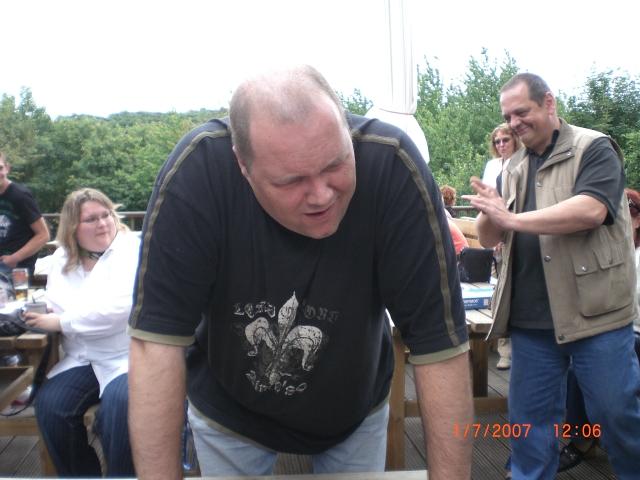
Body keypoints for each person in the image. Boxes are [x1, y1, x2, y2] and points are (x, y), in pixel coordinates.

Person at [128, 65, 473, 480]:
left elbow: (440, 344)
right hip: (229, 407)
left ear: (347, 130)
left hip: (355, 405)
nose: (321, 195)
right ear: (242, 165)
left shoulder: (391, 165)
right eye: (291, 181)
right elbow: (156, 342)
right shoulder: (199, 173)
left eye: (335, 164)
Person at [465, 72, 640, 479]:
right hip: (531, 321)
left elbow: (591, 210)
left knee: (617, 418)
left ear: (548, 102)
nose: (513, 123)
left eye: (521, 112)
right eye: (507, 117)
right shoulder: (512, 166)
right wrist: (490, 212)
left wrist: (512, 218)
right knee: (528, 428)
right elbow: (490, 236)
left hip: (595, 315)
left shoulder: (594, 148)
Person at [25, 188, 140, 477]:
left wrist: (63, 322)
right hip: (83, 358)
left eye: (106, 215)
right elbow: (57, 301)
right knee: (51, 406)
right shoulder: (62, 258)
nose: (103, 224)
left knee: (120, 406)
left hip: (126, 357)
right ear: (73, 227)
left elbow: (121, 310)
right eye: (91, 219)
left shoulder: (131, 251)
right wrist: (74, 316)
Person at [557, 187, 640, 472]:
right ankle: (583, 437)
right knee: (572, 367)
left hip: (632, 330)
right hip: (606, 327)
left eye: (627, 214)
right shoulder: (607, 251)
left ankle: (591, 441)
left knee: (595, 368)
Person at [481, 124, 522, 370]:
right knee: (501, 289)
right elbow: (488, 205)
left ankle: (516, 349)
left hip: (522, 231)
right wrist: (494, 235)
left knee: (516, 290)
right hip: (499, 235)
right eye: (497, 141)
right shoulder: (493, 166)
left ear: (515, 139)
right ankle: (504, 350)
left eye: (505, 139)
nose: (501, 145)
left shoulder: (525, 162)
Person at [0, 151, 50, 275]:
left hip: (19, 269)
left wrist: (14, 258)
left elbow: (43, 235)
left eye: (0, 168)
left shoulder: (20, 196)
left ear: (7, 168)